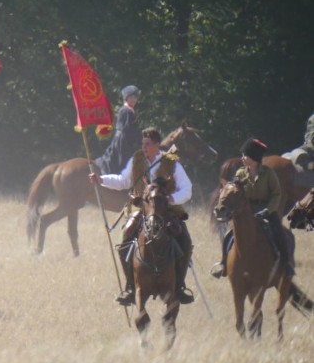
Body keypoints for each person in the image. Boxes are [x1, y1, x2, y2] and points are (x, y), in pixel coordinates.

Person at [90, 127, 195, 306]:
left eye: (147, 144)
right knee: (125, 239)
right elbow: (123, 180)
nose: (144, 147)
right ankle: (131, 286)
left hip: (167, 211)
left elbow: (187, 189)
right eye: (143, 143)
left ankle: (179, 286)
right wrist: (101, 179)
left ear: (156, 145)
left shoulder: (171, 162)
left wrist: (171, 199)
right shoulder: (137, 159)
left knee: (185, 241)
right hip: (142, 209)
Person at [210, 138, 294, 279]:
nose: (242, 158)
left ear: (254, 158)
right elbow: (237, 190)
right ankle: (224, 263)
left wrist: (268, 210)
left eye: (245, 155)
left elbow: (276, 194)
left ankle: (286, 263)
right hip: (246, 209)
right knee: (229, 234)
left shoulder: (269, 174)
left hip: (266, 209)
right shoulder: (241, 173)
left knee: (278, 232)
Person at [96, 85, 140, 174]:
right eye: (131, 97)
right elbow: (128, 130)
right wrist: (140, 139)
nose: (133, 99)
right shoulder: (126, 111)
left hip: (126, 139)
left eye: (135, 97)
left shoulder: (130, 110)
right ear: (126, 98)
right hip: (123, 141)